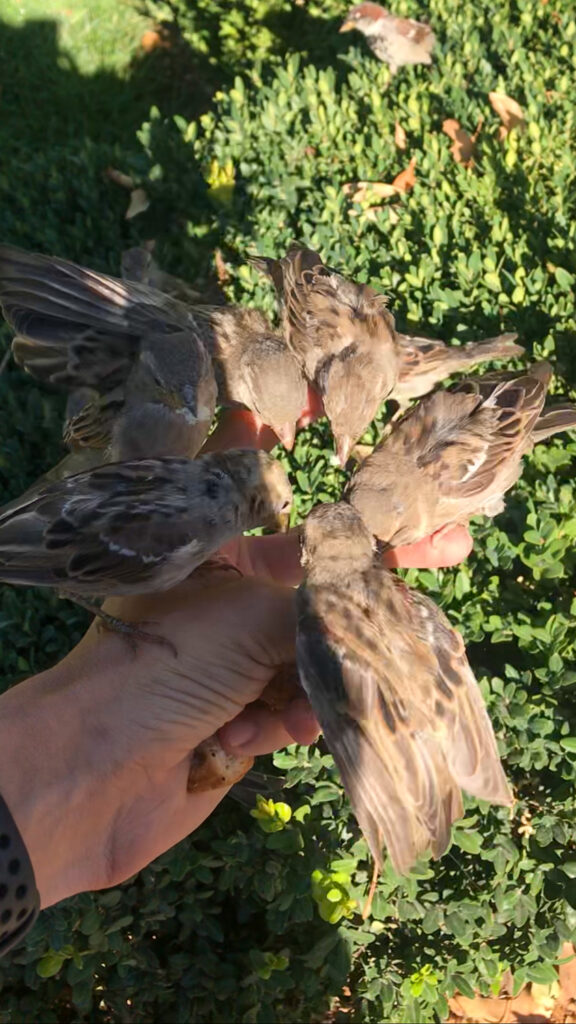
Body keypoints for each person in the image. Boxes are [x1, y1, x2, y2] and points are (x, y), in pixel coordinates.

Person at [0, 407, 472, 950]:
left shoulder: (186, 502)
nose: (278, 519)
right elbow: (68, 564)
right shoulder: (175, 535)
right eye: (269, 508)